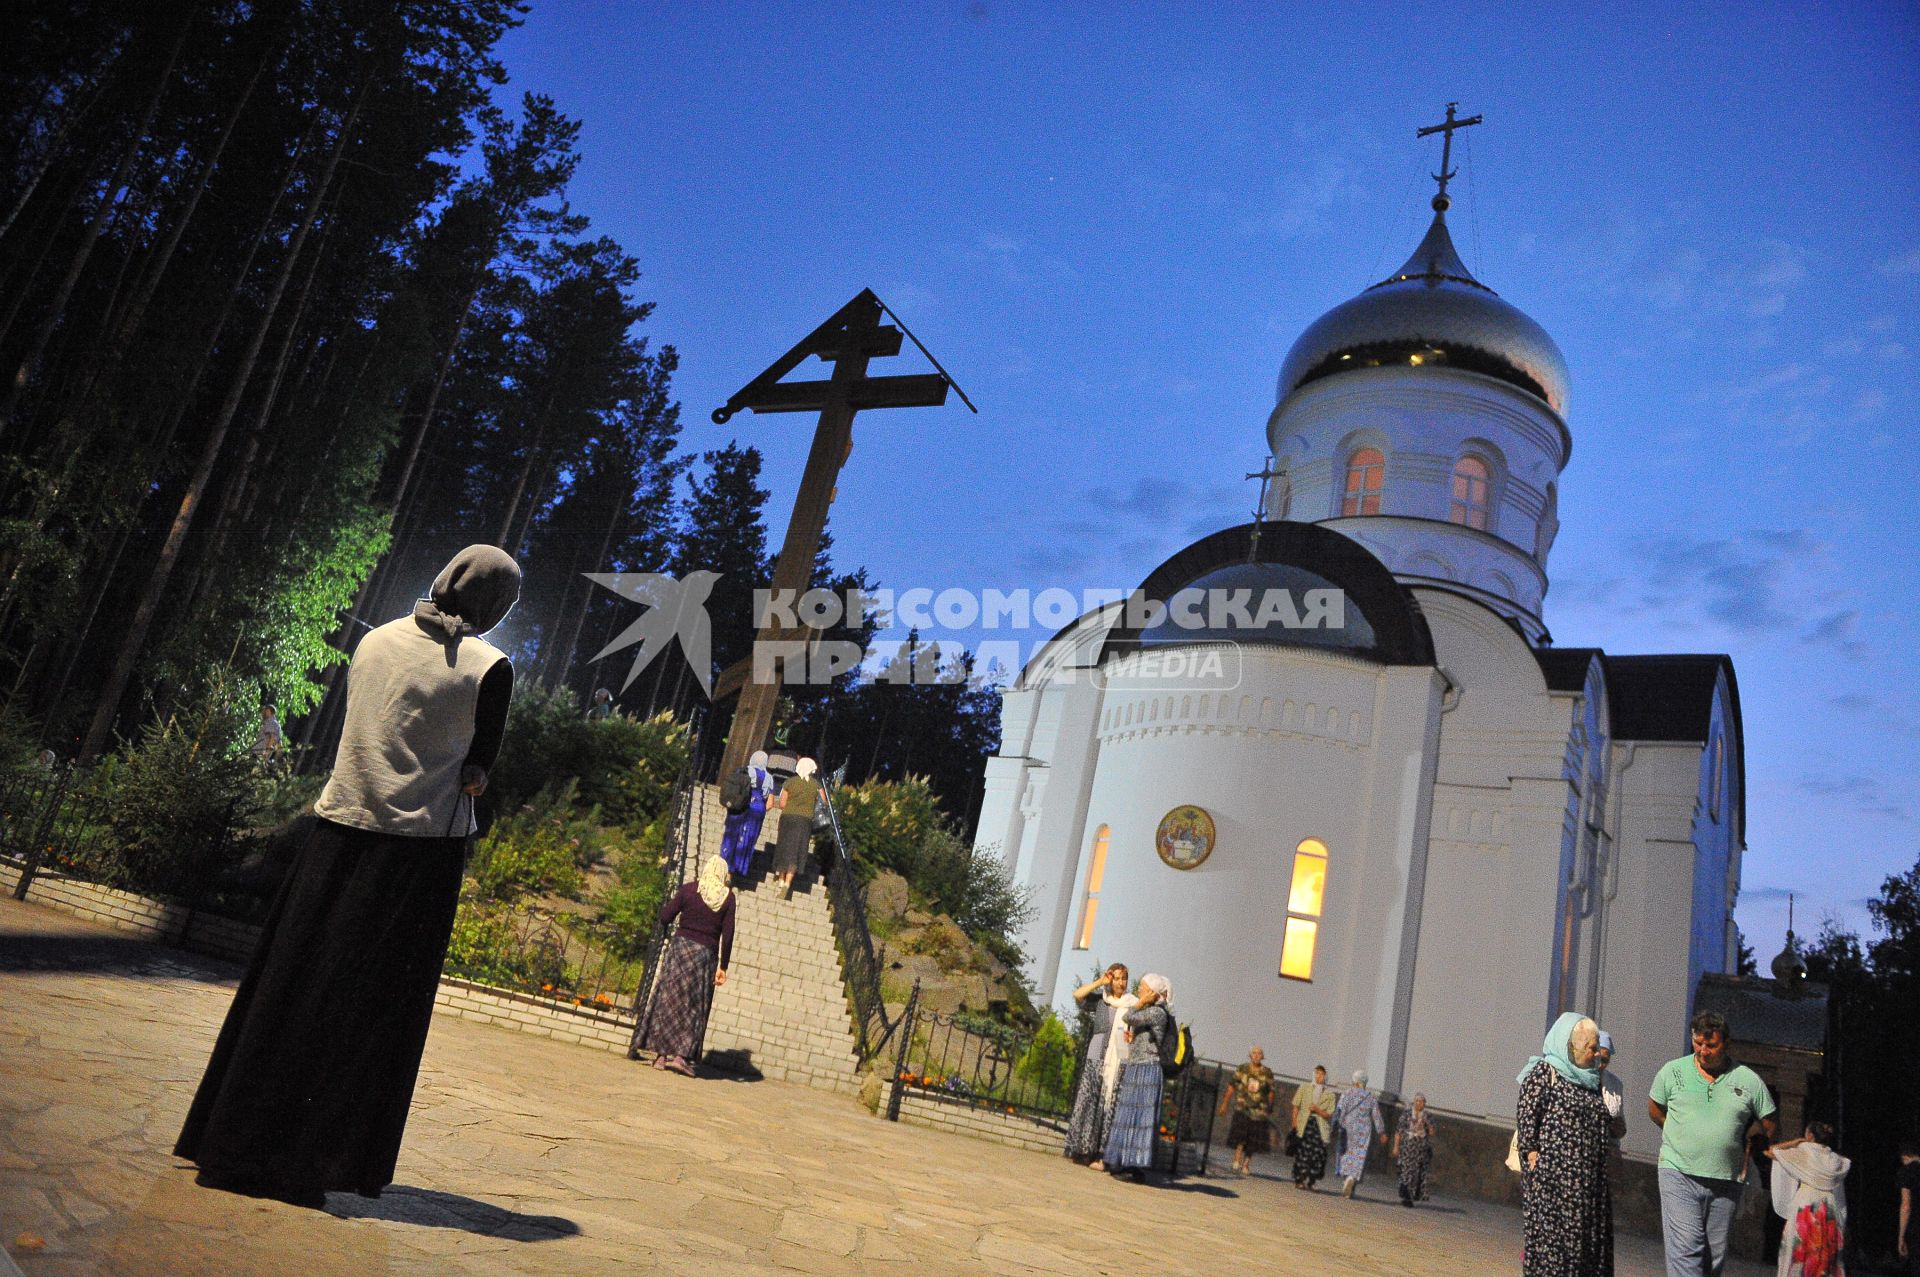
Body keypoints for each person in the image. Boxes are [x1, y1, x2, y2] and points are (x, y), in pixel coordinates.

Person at [175, 545, 520, 1208]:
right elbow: (476, 773)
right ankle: (313, 1161)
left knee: (288, 987)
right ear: (495, 602)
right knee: (365, 1010)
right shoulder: (490, 668)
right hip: (416, 859)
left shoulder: (377, 640)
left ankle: (228, 1140)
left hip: (334, 837)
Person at [1649, 1009, 1778, 1277]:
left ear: (1726, 1043)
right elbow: (1654, 1109)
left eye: (1711, 1045)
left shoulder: (1748, 1079)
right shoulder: (1672, 1072)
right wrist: (1679, 1131)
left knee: (1712, 1257)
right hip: (1678, 1172)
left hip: (1726, 1179)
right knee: (1687, 1248)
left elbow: (1770, 1122)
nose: (1703, 1051)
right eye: (1698, 1043)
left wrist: (1751, 1133)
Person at [1518, 1012, 1614, 1277]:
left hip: (1588, 1182)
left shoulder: (1591, 1079)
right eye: (1591, 1048)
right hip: (1554, 1180)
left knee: (1585, 1247)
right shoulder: (1545, 1072)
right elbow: (1527, 1117)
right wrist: (1532, 1155)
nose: (1597, 1055)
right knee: (1556, 1246)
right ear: (1571, 1047)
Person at [637, 854, 736, 1077]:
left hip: (680, 952)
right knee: (693, 1006)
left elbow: (665, 916)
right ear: (722, 874)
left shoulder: (689, 890)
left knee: (669, 1000)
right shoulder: (727, 898)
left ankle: (661, 1057)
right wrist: (724, 966)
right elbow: (728, 935)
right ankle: (681, 1057)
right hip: (704, 956)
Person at [1101, 973, 1173, 1183]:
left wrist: (1140, 1003)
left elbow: (1128, 1016)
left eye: (1143, 988)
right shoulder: (1151, 1012)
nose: (1139, 990)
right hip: (1137, 1067)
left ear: (1152, 992)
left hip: (1147, 1070)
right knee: (1129, 1114)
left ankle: (1135, 1165)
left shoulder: (1157, 1013)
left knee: (1140, 1118)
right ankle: (1123, 1160)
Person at [1063, 963, 1134, 1167]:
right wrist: (1100, 982)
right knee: (1089, 1102)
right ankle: (1084, 1149)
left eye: (1124, 979)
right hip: (1096, 1059)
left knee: (1108, 1105)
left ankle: (1103, 1152)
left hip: (1117, 1061)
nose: (1121, 983)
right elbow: (1078, 995)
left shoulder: (1132, 1005)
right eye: (1117, 978)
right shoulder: (1101, 1002)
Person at [1764, 1121, 1849, 1277]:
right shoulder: (1835, 1160)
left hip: (1807, 1203)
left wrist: (1794, 1142)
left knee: (1800, 1248)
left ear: (1810, 1136)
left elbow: (1771, 1151)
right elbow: (1846, 1162)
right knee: (1825, 1252)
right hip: (1828, 1206)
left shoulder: (1805, 1152)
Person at [1216, 1046, 1278, 1177]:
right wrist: (1224, 1104)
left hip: (1259, 1111)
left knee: (1253, 1139)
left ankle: (1246, 1164)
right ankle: (1236, 1160)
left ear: (1262, 1056)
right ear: (1250, 1055)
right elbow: (1232, 1086)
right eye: (1254, 1053)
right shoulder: (1242, 1068)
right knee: (1240, 1135)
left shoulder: (1267, 1072)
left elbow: (1271, 1091)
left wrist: (1270, 1106)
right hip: (1243, 1107)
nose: (1256, 1056)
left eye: (1259, 1053)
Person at [769, 756, 819, 899]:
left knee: (784, 847)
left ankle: (780, 880)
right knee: (797, 852)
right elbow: (823, 803)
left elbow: (783, 803)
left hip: (788, 818)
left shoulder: (790, 782)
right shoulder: (816, 785)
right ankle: (788, 884)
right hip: (805, 822)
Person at [719, 750, 773, 879]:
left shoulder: (743, 771)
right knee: (746, 839)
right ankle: (735, 871)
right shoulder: (769, 778)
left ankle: (724, 868)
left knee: (731, 836)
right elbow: (770, 804)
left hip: (739, 807)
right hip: (756, 810)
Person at [1334, 1069, 1387, 1199]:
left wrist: (1338, 1125)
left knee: (1346, 1154)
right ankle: (1353, 1178)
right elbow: (1376, 1116)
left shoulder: (1347, 1093)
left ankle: (1347, 1178)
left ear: (1354, 1081)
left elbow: (1340, 1111)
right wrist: (1382, 1132)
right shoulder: (1371, 1097)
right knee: (1359, 1155)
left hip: (1348, 1128)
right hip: (1364, 1131)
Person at [1290, 1065, 1337, 1190]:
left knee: (1318, 1153)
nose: (1318, 1076)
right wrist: (1294, 1121)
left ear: (1326, 1076)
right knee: (1302, 1152)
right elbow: (1296, 1105)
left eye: (1321, 1074)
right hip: (1305, 1124)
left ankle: (1312, 1180)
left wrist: (1317, 1110)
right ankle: (1299, 1179)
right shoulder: (1305, 1087)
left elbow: (1328, 1114)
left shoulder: (1330, 1094)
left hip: (1320, 1127)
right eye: (1317, 1073)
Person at [1394, 1092, 1436, 1206]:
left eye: (1422, 1101)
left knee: (1417, 1173)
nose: (1419, 1103)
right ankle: (1405, 1194)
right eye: (1417, 1101)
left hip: (1421, 1148)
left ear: (1424, 1104)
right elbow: (1399, 1131)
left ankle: (1411, 1197)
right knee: (1407, 1171)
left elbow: (1432, 1133)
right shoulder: (1407, 1114)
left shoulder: (1428, 1116)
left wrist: (1428, 1124)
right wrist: (1396, 1146)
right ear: (1414, 1102)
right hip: (1408, 1146)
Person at [1595, 1031, 1627, 1144]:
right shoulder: (1576, 1079)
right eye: (1597, 1059)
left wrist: (1619, 1128)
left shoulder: (1615, 1084)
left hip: (1608, 1146)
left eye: (1604, 1060)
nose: (1600, 1065)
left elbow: (1620, 1118)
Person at [1897, 1139, 1918, 1276]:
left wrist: (1901, 1235)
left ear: (1905, 1157)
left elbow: (1906, 1206)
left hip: (1916, 1227)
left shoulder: (1907, 1172)